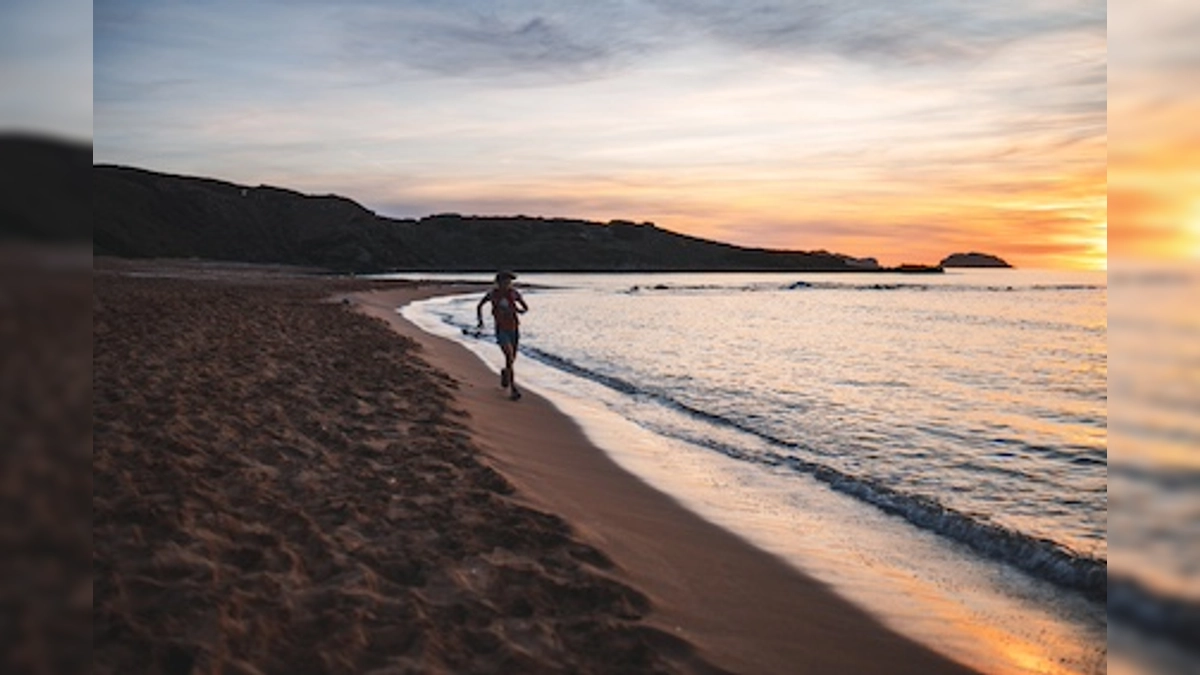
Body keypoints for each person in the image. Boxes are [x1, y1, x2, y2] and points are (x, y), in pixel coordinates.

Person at [477, 271, 528, 400]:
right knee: (509, 356)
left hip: (514, 329)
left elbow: (525, 307)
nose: (508, 284)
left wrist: (518, 310)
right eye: (505, 282)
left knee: (511, 360)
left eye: (509, 282)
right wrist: (480, 321)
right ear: (498, 282)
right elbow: (480, 305)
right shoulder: (492, 294)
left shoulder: (514, 293)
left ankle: (506, 373)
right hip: (501, 330)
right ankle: (513, 389)